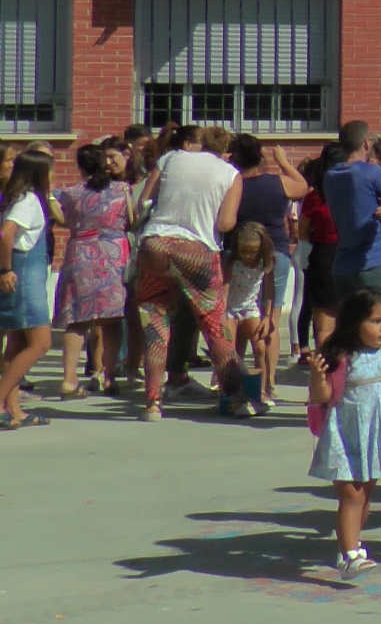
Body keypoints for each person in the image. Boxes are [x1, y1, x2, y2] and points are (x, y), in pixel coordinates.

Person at [131, 126, 244, 420]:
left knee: (155, 326)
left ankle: (153, 402)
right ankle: (235, 397)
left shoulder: (170, 159)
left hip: (154, 244)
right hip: (198, 250)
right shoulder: (230, 174)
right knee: (214, 326)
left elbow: (144, 200)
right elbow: (226, 224)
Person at [303, 289, 381, 581]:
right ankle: (349, 556)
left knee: (365, 495)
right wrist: (316, 376)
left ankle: (351, 545)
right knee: (351, 495)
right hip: (346, 435)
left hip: (376, 435)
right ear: (353, 322)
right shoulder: (341, 357)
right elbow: (323, 396)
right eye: (376, 321)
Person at [229, 135, 307, 404]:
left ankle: (234, 381)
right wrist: (283, 162)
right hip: (276, 251)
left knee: (237, 315)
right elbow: (302, 187)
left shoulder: (233, 185)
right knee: (269, 317)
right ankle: (269, 382)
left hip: (240, 254)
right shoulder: (277, 183)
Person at [51, 143, 131, 401]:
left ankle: (69, 379)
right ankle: (108, 377)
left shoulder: (70, 193)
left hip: (81, 252)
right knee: (112, 319)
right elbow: (132, 218)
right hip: (113, 253)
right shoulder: (121, 189)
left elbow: (60, 217)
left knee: (77, 319)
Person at [0, 147, 54, 429]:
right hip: (24, 277)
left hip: (23, 274)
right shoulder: (29, 200)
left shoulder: (14, 197)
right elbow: (6, 233)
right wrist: (6, 269)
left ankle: (14, 408)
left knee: (17, 345)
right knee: (41, 343)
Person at [322, 123, 381, 299]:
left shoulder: (330, 176)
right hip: (373, 260)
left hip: (343, 265)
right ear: (366, 144)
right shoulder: (372, 172)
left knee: (351, 322)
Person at [222, 223, 277, 414]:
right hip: (231, 307)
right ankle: (231, 393)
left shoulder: (266, 263)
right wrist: (222, 314)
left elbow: (270, 293)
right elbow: (226, 287)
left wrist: (267, 317)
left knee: (260, 347)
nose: (248, 255)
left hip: (249, 307)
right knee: (230, 351)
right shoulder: (232, 262)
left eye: (252, 251)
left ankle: (261, 390)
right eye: (244, 251)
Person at [300, 146, 344, 350]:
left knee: (324, 320)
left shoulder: (315, 196)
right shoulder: (354, 190)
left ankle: (326, 367)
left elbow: (302, 232)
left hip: (323, 254)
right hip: (349, 252)